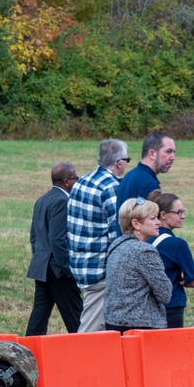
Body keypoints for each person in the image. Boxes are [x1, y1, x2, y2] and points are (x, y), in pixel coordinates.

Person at [67, 139, 129, 333]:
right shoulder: (112, 187)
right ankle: (79, 363)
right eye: (127, 159)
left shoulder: (81, 182)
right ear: (120, 163)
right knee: (90, 331)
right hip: (99, 270)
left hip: (80, 264)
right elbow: (116, 234)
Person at [25, 162, 82, 336]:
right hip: (58, 270)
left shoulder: (42, 199)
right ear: (66, 181)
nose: (77, 182)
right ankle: (87, 353)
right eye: (75, 178)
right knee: (77, 318)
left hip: (42, 267)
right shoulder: (62, 201)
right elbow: (58, 240)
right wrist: (68, 270)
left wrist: (40, 257)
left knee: (39, 318)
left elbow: (34, 236)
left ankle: (26, 353)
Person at [104, 197, 172, 332]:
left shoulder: (116, 245)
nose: (158, 222)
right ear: (136, 224)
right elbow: (165, 294)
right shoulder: (144, 251)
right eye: (153, 218)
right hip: (140, 327)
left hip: (113, 322)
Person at [149, 191, 194, 328]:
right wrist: (183, 281)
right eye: (179, 212)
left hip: (147, 306)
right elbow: (193, 281)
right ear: (163, 215)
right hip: (172, 305)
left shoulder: (144, 240)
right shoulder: (177, 245)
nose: (183, 216)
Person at [116, 131, 176, 203]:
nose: (173, 157)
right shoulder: (150, 184)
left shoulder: (129, 175)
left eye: (173, 152)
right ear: (152, 154)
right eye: (168, 151)